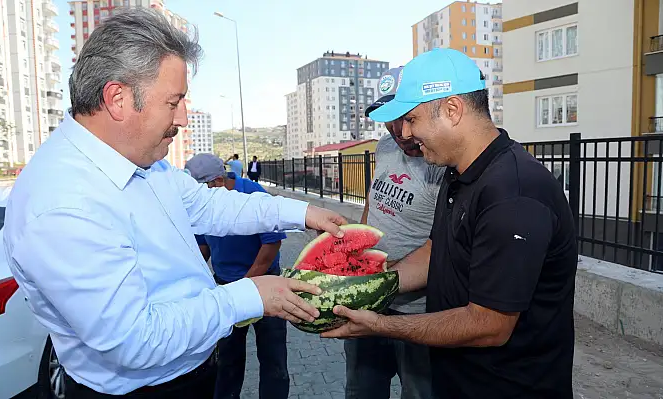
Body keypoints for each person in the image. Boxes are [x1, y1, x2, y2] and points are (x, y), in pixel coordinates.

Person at [2, 9, 346, 398]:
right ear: (117, 98)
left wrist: (300, 212)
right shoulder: (62, 203)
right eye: (173, 101)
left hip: (192, 371)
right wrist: (250, 295)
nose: (182, 117)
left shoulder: (142, 161)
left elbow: (210, 207)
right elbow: (133, 340)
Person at [322, 48, 577, 399]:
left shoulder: (513, 196)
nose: (407, 133)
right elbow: (436, 251)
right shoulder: (462, 174)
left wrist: (382, 325)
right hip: (459, 379)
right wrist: (370, 288)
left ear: (452, 110)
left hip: (507, 387)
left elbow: (489, 326)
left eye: (412, 119)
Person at [343, 67, 443, 399]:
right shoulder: (385, 147)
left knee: (420, 392)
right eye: (389, 118)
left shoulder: (441, 162)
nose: (399, 131)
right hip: (368, 300)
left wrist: (380, 277)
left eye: (405, 117)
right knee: (361, 390)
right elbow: (374, 202)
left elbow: (443, 248)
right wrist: (353, 252)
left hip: (418, 312)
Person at [186, 153, 289, 399]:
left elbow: (271, 244)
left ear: (218, 181)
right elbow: (203, 247)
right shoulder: (200, 204)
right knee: (226, 361)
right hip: (225, 285)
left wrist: (246, 286)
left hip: (265, 285)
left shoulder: (253, 193)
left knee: (273, 358)